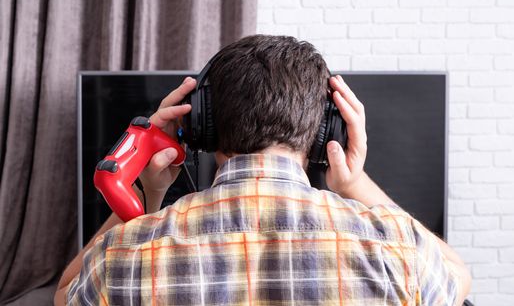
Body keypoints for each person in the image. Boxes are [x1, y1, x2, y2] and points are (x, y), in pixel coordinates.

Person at [55, 35, 471, 305]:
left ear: (202, 125)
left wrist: (146, 194)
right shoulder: (396, 249)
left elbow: (64, 295)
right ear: (328, 128)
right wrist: (355, 182)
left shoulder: (125, 255)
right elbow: (459, 279)